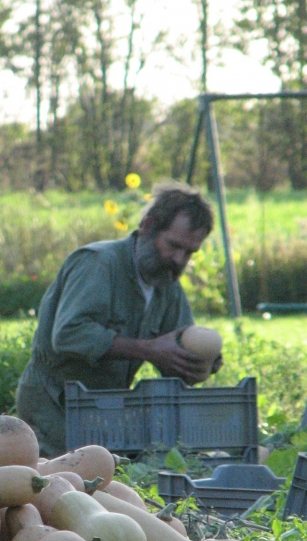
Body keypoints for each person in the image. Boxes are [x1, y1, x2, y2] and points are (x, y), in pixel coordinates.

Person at [15, 180, 220, 458]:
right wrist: (149, 350)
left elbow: (177, 351)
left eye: (190, 253)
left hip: (107, 414)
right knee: (60, 488)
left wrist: (196, 364)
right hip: (55, 408)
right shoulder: (99, 264)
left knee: (109, 487)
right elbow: (68, 335)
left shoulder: (167, 287)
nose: (178, 259)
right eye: (173, 245)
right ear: (148, 226)